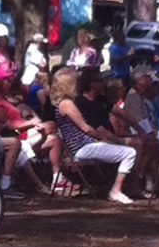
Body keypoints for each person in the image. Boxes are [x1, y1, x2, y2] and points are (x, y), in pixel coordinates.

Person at [50, 66, 137, 203]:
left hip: (85, 146)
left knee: (124, 149)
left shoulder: (64, 103)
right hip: (82, 148)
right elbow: (87, 129)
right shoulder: (67, 104)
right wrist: (104, 139)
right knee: (129, 153)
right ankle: (116, 190)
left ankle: (119, 187)